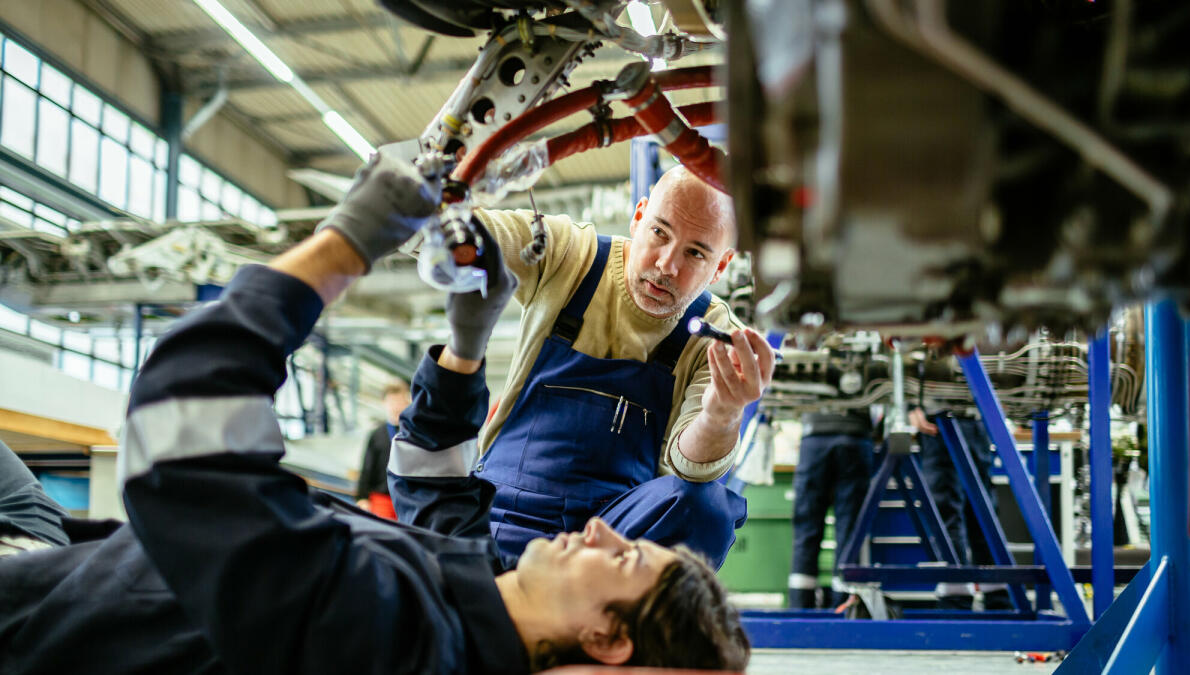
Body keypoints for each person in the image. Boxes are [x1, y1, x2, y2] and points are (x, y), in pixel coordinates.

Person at [0, 149, 750, 674]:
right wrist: (464, 350)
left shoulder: (394, 636)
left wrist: (346, 242)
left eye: (623, 555)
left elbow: (180, 442)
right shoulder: (480, 586)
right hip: (74, 548)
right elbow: (433, 487)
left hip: (38, 607)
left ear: (605, 638)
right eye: (658, 234)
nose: (600, 527)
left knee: (710, 501)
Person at [460, 163, 776, 567]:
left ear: (721, 266)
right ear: (638, 216)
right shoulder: (569, 256)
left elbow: (689, 469)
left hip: (614, 543)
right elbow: (471, 234)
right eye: (660, 232)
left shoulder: (715, 336)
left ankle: (636, 618)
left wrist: (721, 413)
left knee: (708, 508)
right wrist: (431, 213)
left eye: (695, 252)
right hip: (504, 509)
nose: (666, 265)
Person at [911, 401, 1014, 611]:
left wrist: (911, 407)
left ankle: (958, 600)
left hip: (944, 422)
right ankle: (996, 598)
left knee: (953, 513)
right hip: (968, 422)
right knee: (980, 513)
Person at [788, 409, 875, 608]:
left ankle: (800, 608)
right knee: (850, 531)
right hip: (855, 436)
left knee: (806, 530)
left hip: (814, 438)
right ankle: (844, 609)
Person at [355, 379, 412, 518]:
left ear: (407, 403)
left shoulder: (414, 433)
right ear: (384, 403)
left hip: (408, 498)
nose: (396, 406)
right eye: (392, 402)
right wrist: (361, 497)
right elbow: (367, 467)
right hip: (382, 498)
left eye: (399, 401)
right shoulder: (377, 435)